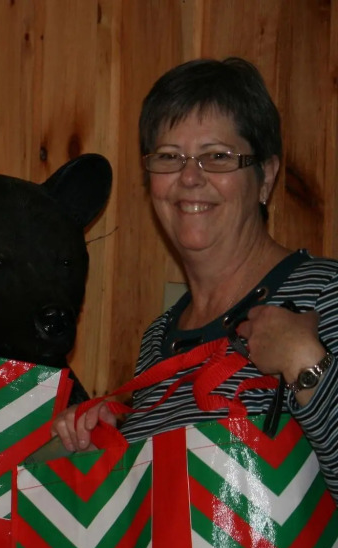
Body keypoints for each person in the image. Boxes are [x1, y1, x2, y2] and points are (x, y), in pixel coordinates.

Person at [50, 57, 338, 504]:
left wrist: (307, 364)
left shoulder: (325, 294)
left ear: (265, 176)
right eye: (169, 157)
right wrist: (103, 456)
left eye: (217, 156)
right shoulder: (158, 340)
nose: (189, 177)